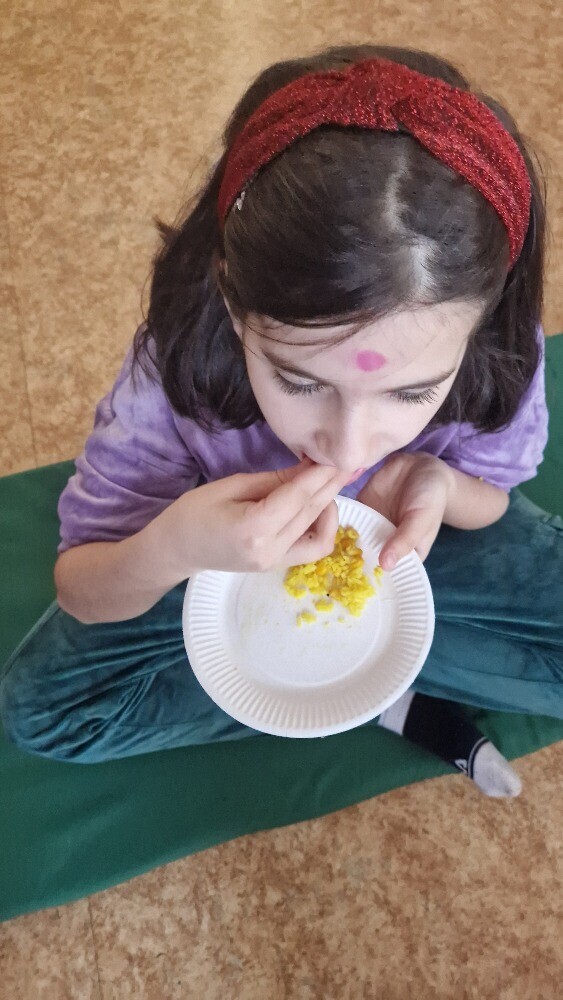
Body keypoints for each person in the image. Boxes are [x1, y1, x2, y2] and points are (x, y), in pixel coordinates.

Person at [1, 45, 562, 799]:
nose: (348, 445)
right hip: (220, 562)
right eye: (299, 380)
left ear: (480, 324)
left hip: (428, 546)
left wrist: (441, 484)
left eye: (409, 394)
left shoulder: (493, 343)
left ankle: (372, 676)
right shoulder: (173, 372)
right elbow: (82, 585)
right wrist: (174, 547)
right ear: (233, 301)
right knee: (45, 710)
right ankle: (375, 695)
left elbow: (492, 494)